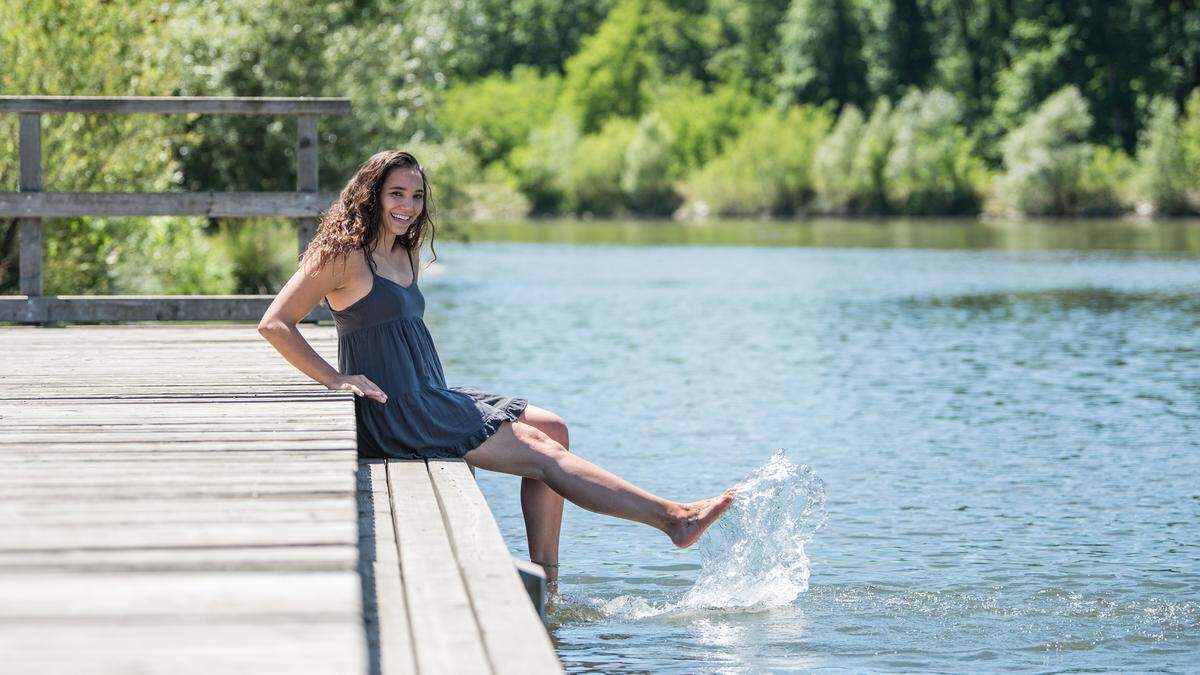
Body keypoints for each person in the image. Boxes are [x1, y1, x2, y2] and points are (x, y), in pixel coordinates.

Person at [258, 150, 737, 592]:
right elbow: (275, 323)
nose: (408, 205)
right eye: (396, 194)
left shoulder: (405, 251)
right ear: (372, 194)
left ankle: (547, 582)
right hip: (399, 412)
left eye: (417, 195)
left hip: (429, 392)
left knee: (554, 427)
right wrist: (335, 378)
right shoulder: (343, 254)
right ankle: (675, 518)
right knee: (540, 450)